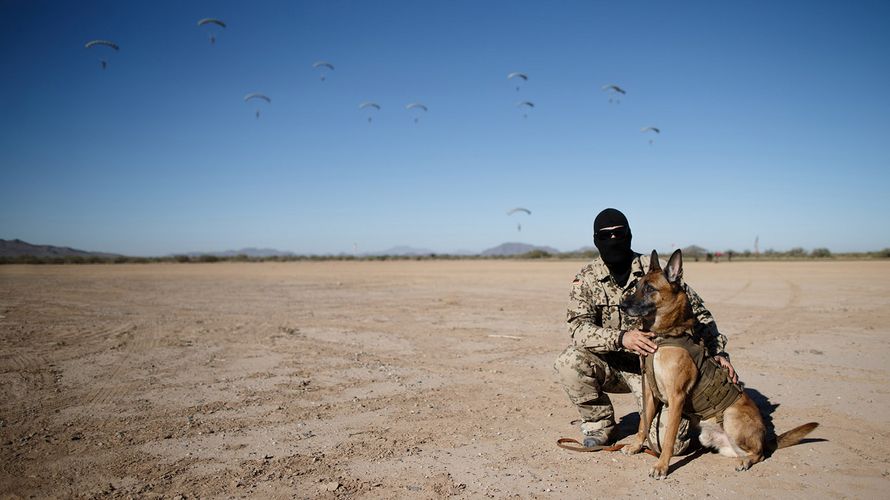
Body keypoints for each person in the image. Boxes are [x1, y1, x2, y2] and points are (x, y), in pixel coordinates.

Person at [553, 208, 737, 451]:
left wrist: (719, 353)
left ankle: (688, 418)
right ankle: (599, 424)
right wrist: (621, 338)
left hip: (655, 369)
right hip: (610, 364)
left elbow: (698, 313)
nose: (613, 240)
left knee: (666, 444)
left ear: (629, 234)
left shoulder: (653, 271)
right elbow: (578, 328)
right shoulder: (587, 278)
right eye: (605, 236)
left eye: (619, 233)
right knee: (569, 361)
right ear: (596, 240)